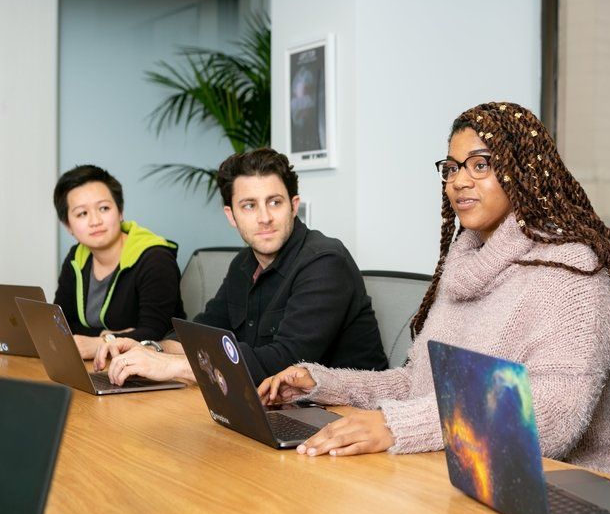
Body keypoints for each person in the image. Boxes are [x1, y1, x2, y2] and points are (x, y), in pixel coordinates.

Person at [258, 102, 610, 473]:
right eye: (452, 168)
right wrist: (322, 383)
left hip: (562, 485)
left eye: (481, 165)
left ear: (523, 174)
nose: (459, 181)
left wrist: (399, 426)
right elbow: (417, 385)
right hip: (463, 472)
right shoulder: (464, 267)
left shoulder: (571, 271)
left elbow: (553, 415)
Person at [94, 148, 387, 385]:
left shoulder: (324, 262)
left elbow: (284, 362)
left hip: (346, 417)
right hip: (277, 409)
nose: (264, 217)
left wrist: (171, 366)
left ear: (294, 205)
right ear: (231, 215)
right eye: (249, 205)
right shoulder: (243, 264)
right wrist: (151, 349)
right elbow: (203, 333)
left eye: (274, 202)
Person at [53, 165, 184, 360]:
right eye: (82, 213)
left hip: (156, 369)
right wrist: (107, 335)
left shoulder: (155, 258)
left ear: (120, 211)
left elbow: (155, 334)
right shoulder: (76, 257)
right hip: (100, 365)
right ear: (68, 226)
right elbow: (61, 324)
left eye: (104, 208)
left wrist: (99, 343)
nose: (95, 220)